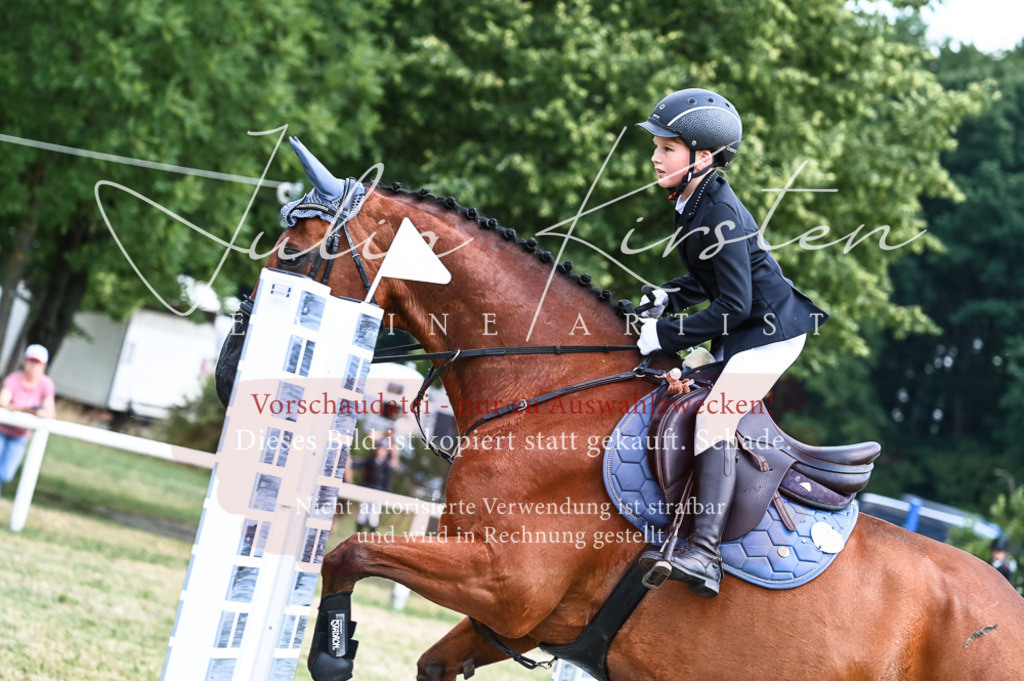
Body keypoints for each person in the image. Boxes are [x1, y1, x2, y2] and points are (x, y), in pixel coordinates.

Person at [633, 88, 828, 597]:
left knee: (715, 415)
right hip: (743, 332)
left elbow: (734, 307)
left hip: (770, 337)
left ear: (702, 156)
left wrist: (666, 332)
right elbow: (709, 280)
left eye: (667, 148)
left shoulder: (717, 209)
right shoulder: (692, 198)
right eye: (656, 145)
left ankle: (704, 553)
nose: (655, 156)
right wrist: (667, 296)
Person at [0, 344, 57, 496]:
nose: (33, 366)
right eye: (31, 361)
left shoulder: (46, 384)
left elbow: (50, 412)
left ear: (43, 365)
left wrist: (19, 409)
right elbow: (3, 402)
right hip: (2, 430)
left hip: (20, 435)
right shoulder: (13, 379)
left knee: (5, 474)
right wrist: (30, 411)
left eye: (37, 362)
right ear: (25, 361)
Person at [352, 434, 399, 534]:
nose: (381, 451)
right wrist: (351, 463)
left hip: (379, 490)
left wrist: (385, 492)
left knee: (374, 514)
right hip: (368, 487)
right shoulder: (371, 460)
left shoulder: (386, 465)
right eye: (380, 448)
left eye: (384, 449)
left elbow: (387, 480)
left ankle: (371, 535)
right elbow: (361, 464)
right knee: (363, 513)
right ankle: (358, 533)